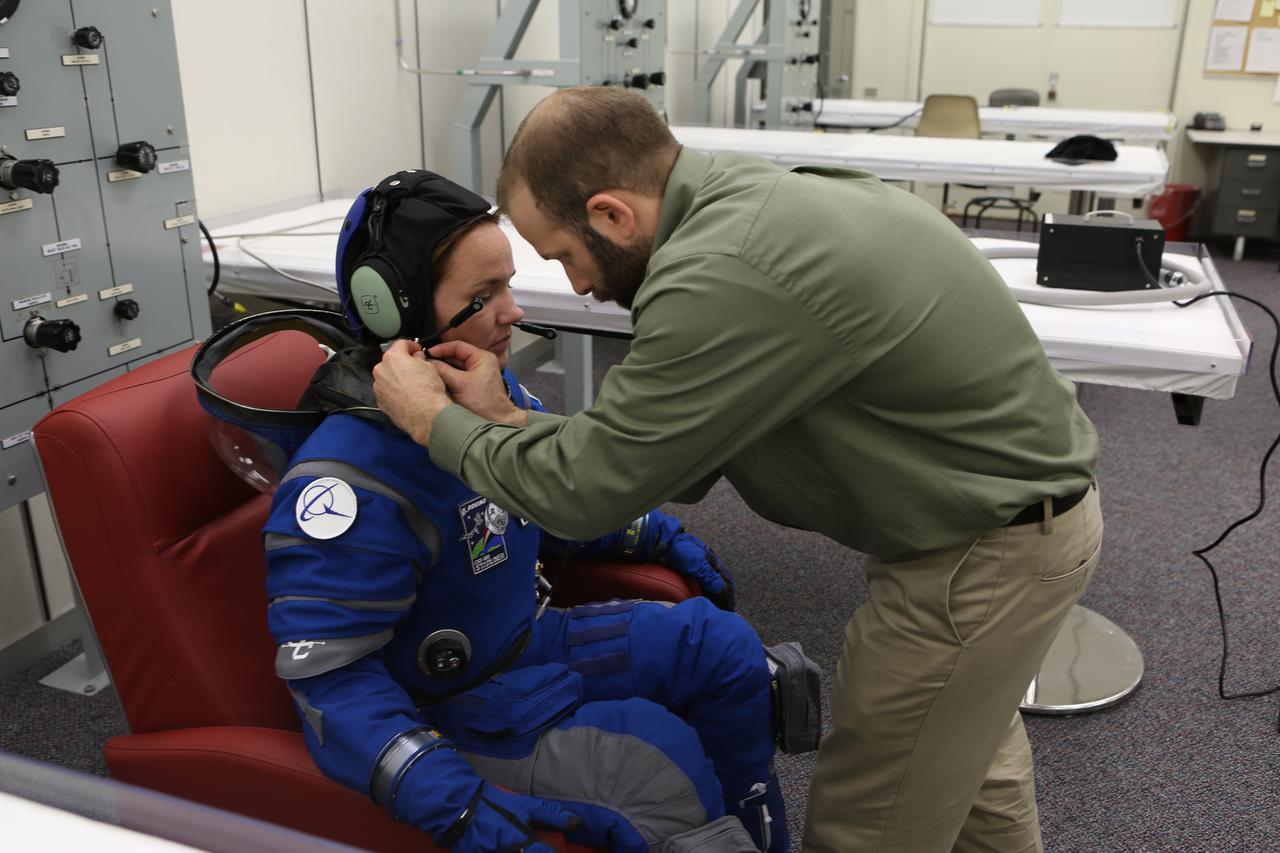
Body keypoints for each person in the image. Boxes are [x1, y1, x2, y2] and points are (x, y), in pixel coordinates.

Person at [371, 87, 1104, 853]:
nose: (578, 285)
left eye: (563, 256)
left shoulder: (721, 273)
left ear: (613, 214)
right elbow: (662, 447)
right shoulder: (749, 200)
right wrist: (510, 420)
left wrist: (434, 423)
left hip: (985, 559)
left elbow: (589, 491)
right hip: (1023, 520)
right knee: (973, 767)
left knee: (867, 823)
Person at [261, 169, 807, 853]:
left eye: (508, 284)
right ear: (391, 311)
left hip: (526, 642)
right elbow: (332, 684)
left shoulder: (488, 390)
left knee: (725, 653)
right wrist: (454, 806)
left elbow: (544, 493)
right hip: (453, 712)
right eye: (483, 295)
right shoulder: (346, 481)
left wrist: (650, 532)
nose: (513, 311)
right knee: (659, 766)